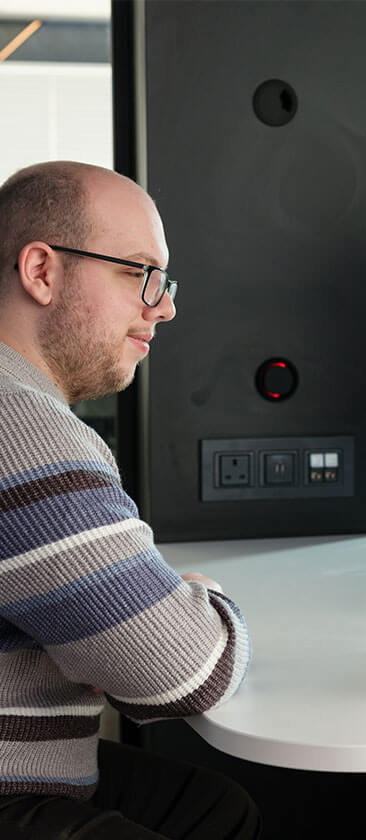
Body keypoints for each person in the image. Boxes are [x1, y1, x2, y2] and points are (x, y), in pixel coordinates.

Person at [0, 161, 259, 839]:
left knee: (215, 808)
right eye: (138, 272)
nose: (164, 305)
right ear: (42, 272)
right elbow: (185, 672)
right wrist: (203, 598)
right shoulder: (19, 425)